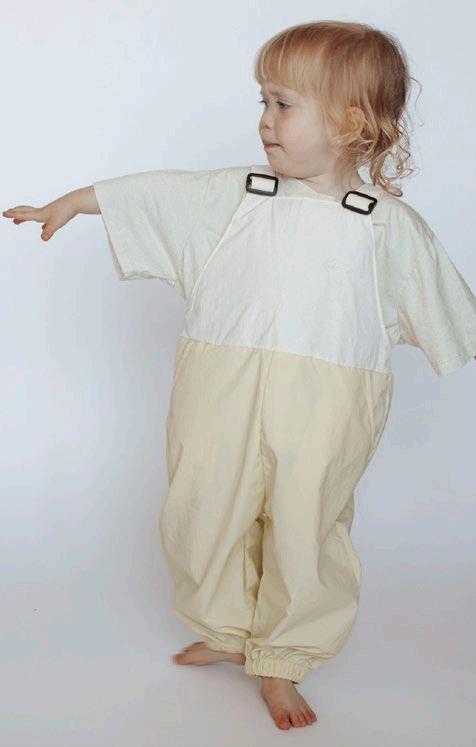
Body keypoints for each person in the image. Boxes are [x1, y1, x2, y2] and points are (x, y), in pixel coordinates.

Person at [3, 20, 476, 732]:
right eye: (264, 101)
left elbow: (449, 308)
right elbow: (156, 197)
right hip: (218, 388)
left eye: (284, 105)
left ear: (351, 123)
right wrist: (74, 201)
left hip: (326, 403)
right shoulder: (239, 195)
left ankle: (282, 657)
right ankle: (226, 630)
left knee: (305, 523)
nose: (264, 120)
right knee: (203, 508)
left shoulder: (385, 226)